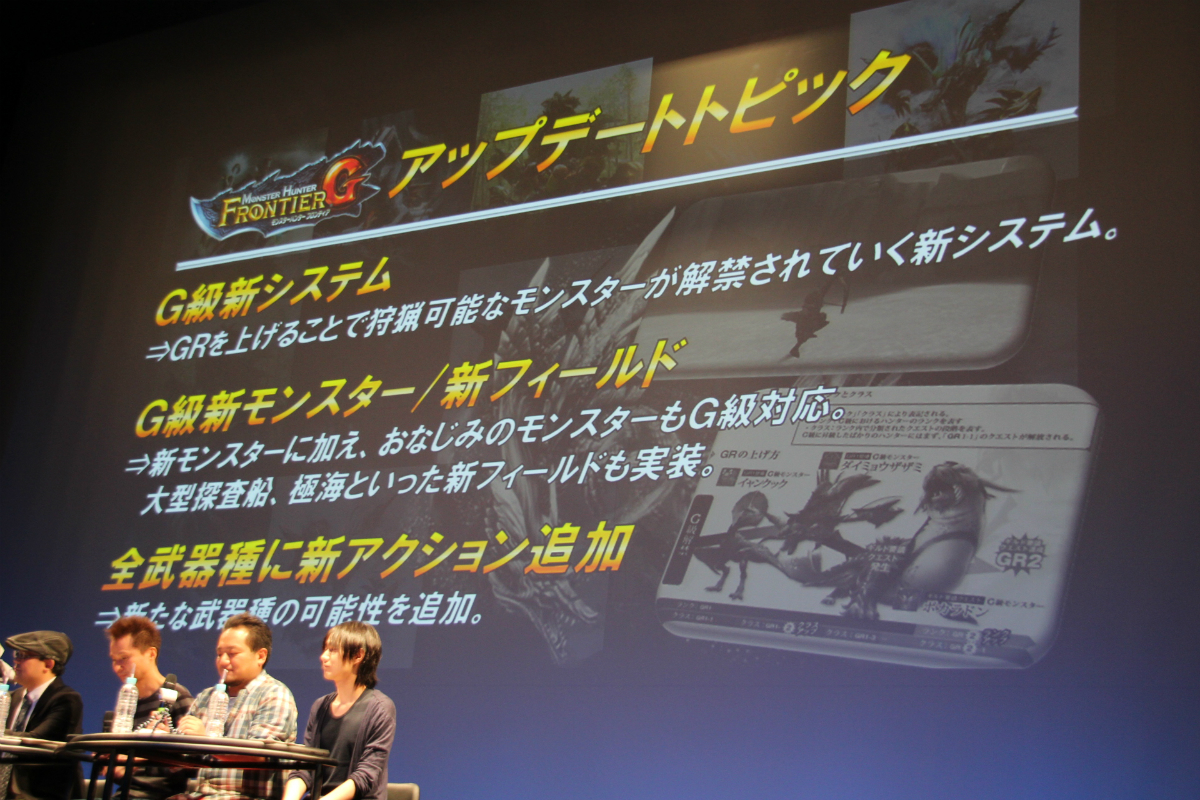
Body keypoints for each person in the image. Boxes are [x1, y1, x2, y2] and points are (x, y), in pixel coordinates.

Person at [172, 614, 297, 800]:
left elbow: (259, 755)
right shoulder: (207, 697)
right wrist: (165, 741)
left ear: (260, 656)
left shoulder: (274, 694)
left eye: (232, 654)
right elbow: (183, 761)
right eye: (219, 654)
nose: (223, 661)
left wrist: (206, 740)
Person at [282, 622, 395, 800]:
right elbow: (305, 767)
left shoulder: (380, 708)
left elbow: (366, 775)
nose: (323, 657)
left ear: (358, 655)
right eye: (325, 649)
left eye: (332, 650)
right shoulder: (320, 706)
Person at [105, 616, 195, 798]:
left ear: (151, 654)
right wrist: (111, 765)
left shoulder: (177, 697)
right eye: (114, 660)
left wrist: (146, 756)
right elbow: (116, 769)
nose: (117, 667)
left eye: (124, 658)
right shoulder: (126, 700)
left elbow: (192, 764)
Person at [3, 631, 84, 800]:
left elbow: (35, 741)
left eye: (23, 656)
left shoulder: (66, 700)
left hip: (41, 794)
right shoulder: (12, 698)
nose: (16, 661)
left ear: (48, 664)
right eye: (16, 655)